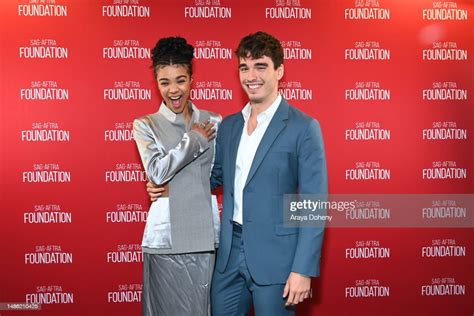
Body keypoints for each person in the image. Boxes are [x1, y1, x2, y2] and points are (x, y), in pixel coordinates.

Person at [148, 31, 327, 315]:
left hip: (275, 260)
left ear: (279, 71)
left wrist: (302, 269)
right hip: (229, 257)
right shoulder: (230, 126)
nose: (251, 76)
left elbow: (314, 205)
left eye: (261, 66)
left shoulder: (303, 127)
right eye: (244, 68)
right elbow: (212, 177)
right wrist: (169, 188)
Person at [133, 36, 221, 316]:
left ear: (192, 79)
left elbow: (217, 176)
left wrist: (174, 188)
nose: (173, 90)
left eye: (181, 80)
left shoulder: (214, 120)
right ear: (157, 84)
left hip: (206, 233)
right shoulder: (145, 124)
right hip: (166, 235)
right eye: (165, 82)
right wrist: (194, 139)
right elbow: (157, 172)